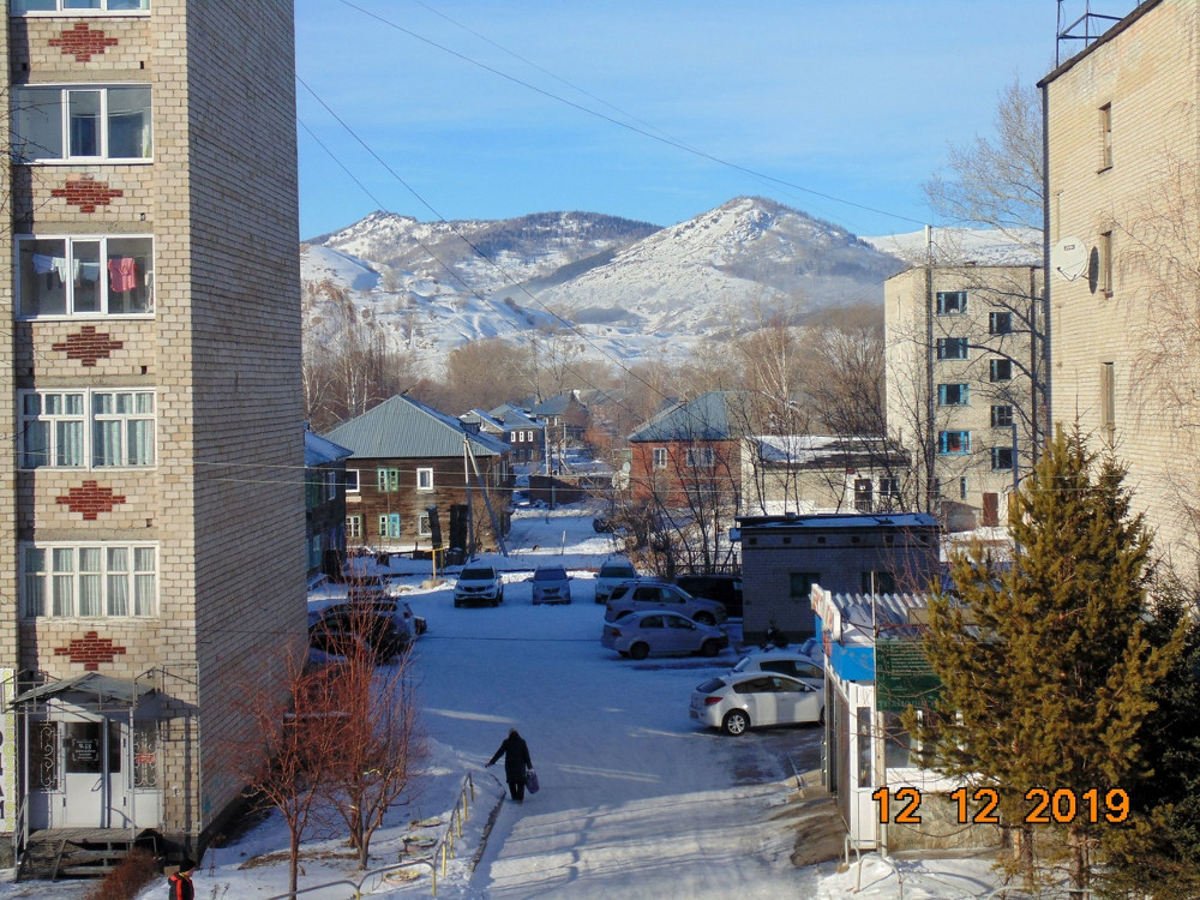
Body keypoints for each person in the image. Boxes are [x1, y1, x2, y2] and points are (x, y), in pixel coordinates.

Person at [486, 728, 533, 802]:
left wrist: (492, 762)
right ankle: (520, 798)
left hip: (509, 766)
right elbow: (526, 756)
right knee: (521, 782)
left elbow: (499, 753)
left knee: (512, 782)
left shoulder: (506, 742)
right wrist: (530, 767)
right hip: (520, 766)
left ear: (509, 734)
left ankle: (514, 797)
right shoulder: (522, 742)